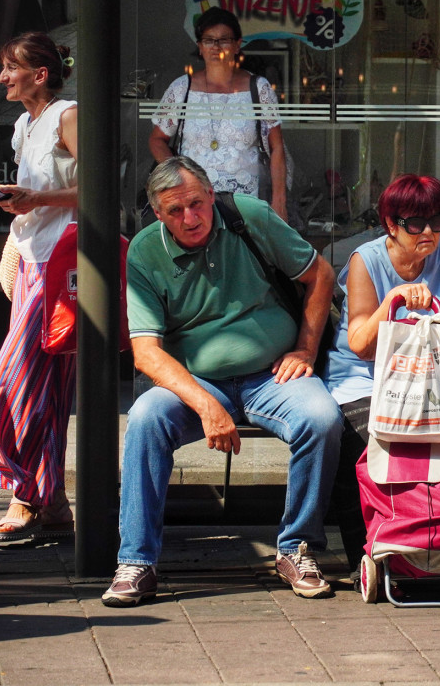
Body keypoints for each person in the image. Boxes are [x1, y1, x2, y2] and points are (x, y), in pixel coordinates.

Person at [102, 156, 340, 607]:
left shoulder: (248, 216)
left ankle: (297, 547)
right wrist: (206, 405)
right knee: (145, 419)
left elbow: (320, 275)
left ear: (211, 195)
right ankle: (136, 561)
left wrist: (306, 349)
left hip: (273, 373)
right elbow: (146, 352)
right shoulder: (145, 251)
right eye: (175, 210)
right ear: (158, 214)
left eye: (196, 203)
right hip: (198, 381)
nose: (190, 217)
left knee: (321, 418)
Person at [324, 174, 440, 597]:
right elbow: (360, 345)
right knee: (366, 439)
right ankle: (369, 553)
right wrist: (393, 300)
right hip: (366, 378)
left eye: (437, 221)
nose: (429, 232)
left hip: (433, 376)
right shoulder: (366, 260)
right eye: (415, 223)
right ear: (391, 224)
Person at [0, 32, 77, 543]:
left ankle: (23, 491)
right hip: (32, 260)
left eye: (10, 68)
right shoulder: (24, 124)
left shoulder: (68, 115)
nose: (2, 78)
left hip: (63, 262)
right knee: (47, 387)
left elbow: (98, 187)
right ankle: (50, 499)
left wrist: (36, 198)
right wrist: (8, 197)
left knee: (10, 381)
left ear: (40, 74)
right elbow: (35, 192)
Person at [149, 7, 288, 219]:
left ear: (237, 45)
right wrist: (177, 176)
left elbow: (276, 147)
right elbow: (157, 140)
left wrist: (279, 200)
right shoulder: (182, 88)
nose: (216, 47)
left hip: (246, 203)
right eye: (209, 40)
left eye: (224, 40)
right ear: (200, 47)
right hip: (194, 203)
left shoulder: (258, 88)